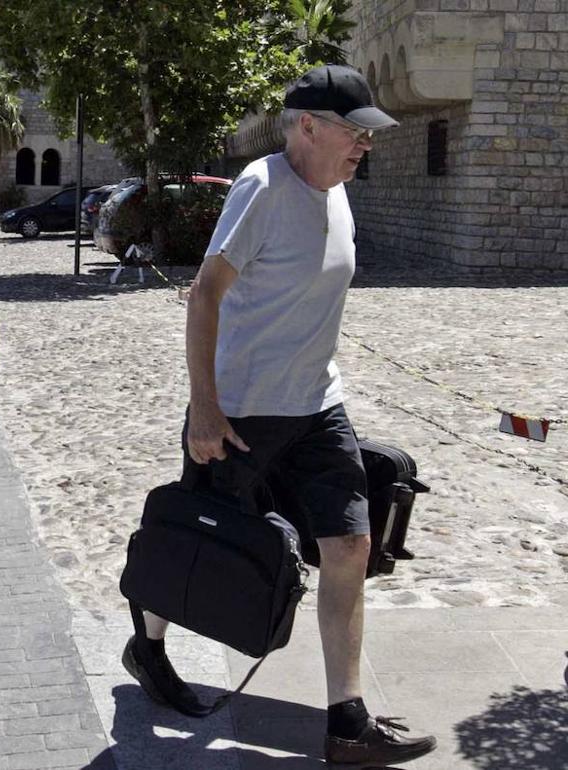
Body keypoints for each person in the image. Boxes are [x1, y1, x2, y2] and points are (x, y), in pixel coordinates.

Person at [122, 65, 437, 766]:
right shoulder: (262, 189)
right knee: (196, 545)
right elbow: (204, 295)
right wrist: (205, 410)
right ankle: (148, 644)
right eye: (355, 133)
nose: (366, 146)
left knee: (349, 546)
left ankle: (347, 722)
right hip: (241, 413)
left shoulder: (339, 193)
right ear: (307, 127)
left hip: (318, 409)